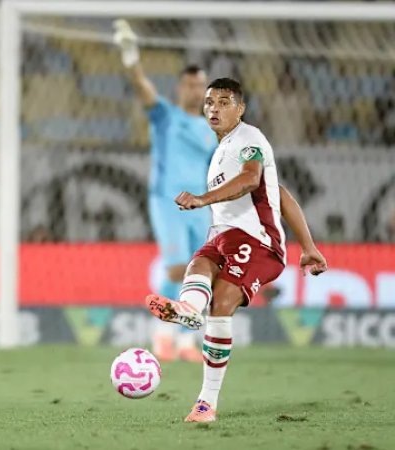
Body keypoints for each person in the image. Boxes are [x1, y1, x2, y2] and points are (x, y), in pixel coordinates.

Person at [144, 78, 328, 423]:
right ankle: (189, 310)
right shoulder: (220, 151)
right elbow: (280, 194)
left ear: (240, 109)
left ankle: (206, 403)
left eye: (224, 102)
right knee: (198, 265)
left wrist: (202, 199)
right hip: (224, 236)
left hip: (258, 240)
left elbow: (251, 179)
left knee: (222, 303)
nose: (214, 108)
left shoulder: (248, 139)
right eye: (209, 102)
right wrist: (308, 246)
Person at [113, 20, 218, 362]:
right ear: (179, 88)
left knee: (199, 272)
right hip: (166, 201)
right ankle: (162, 336)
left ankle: (186, 343)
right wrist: (131, 59)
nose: (195, 90)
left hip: (199, 206)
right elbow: (141, 86)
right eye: (190, 85)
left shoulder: (212, 131)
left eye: (200, 85)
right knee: (176, 269)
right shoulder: (165, 116)